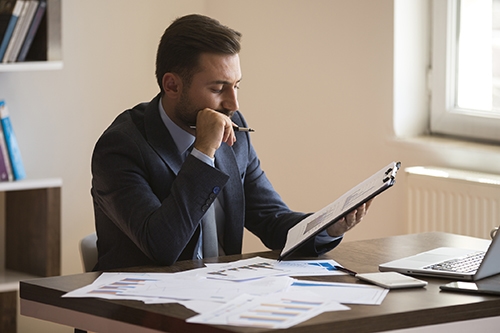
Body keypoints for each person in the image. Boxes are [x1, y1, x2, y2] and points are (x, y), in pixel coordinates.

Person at [90, 14, 371, 271]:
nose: (233, 104)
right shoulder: (120, 148)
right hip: (142, 309)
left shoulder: (234, 135)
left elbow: (272, 221)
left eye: (236, 86)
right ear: (172, 85)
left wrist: (328, 226)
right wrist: (203, 152)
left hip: (223, 301)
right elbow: (162, 246)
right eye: (217, 88)